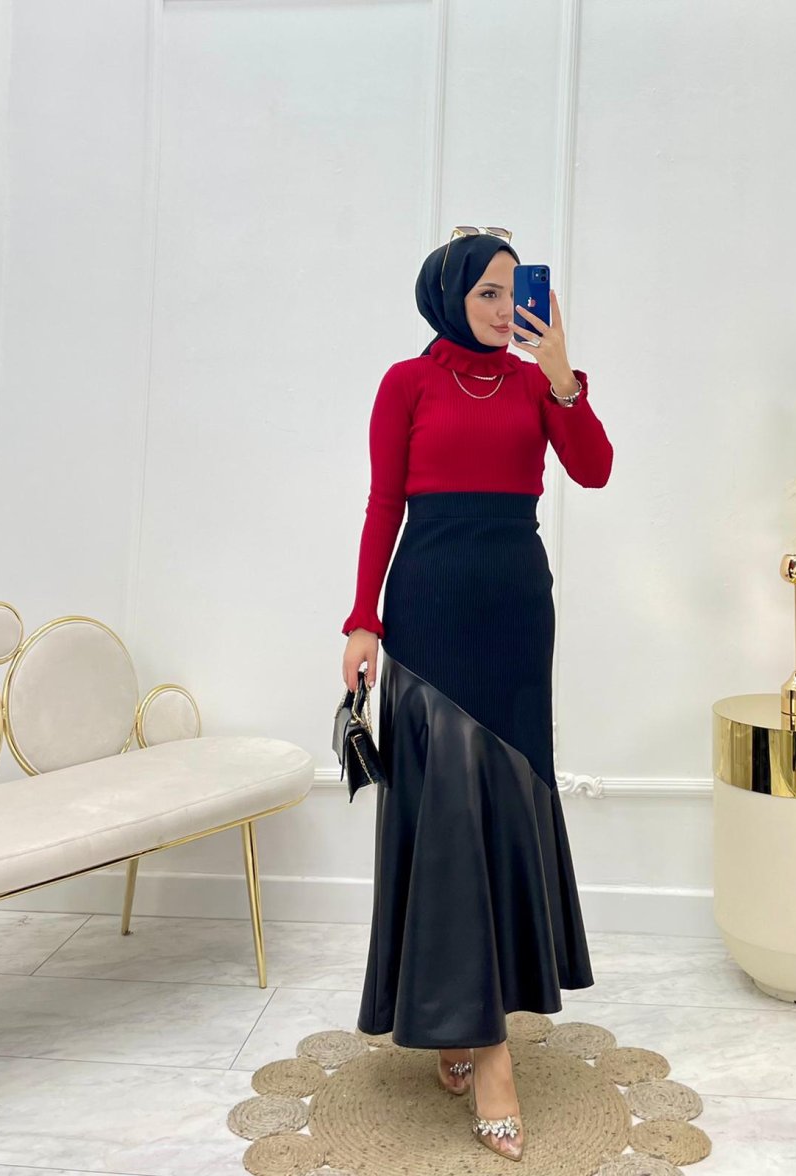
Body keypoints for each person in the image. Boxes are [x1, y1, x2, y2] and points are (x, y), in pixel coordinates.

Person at [341, 226, 613, 1162]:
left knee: (499, 811)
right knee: (449, 813)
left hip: (516, 615)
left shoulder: (538, 384)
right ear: (450, 296)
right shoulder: (405, 385)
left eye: (514, 292)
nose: (504, 309)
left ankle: (467, 1015)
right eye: (487, 293)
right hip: (430, 614)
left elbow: (593, 469)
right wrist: (362, 620)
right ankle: (486, 1049)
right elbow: (384, 504)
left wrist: (564, 374)